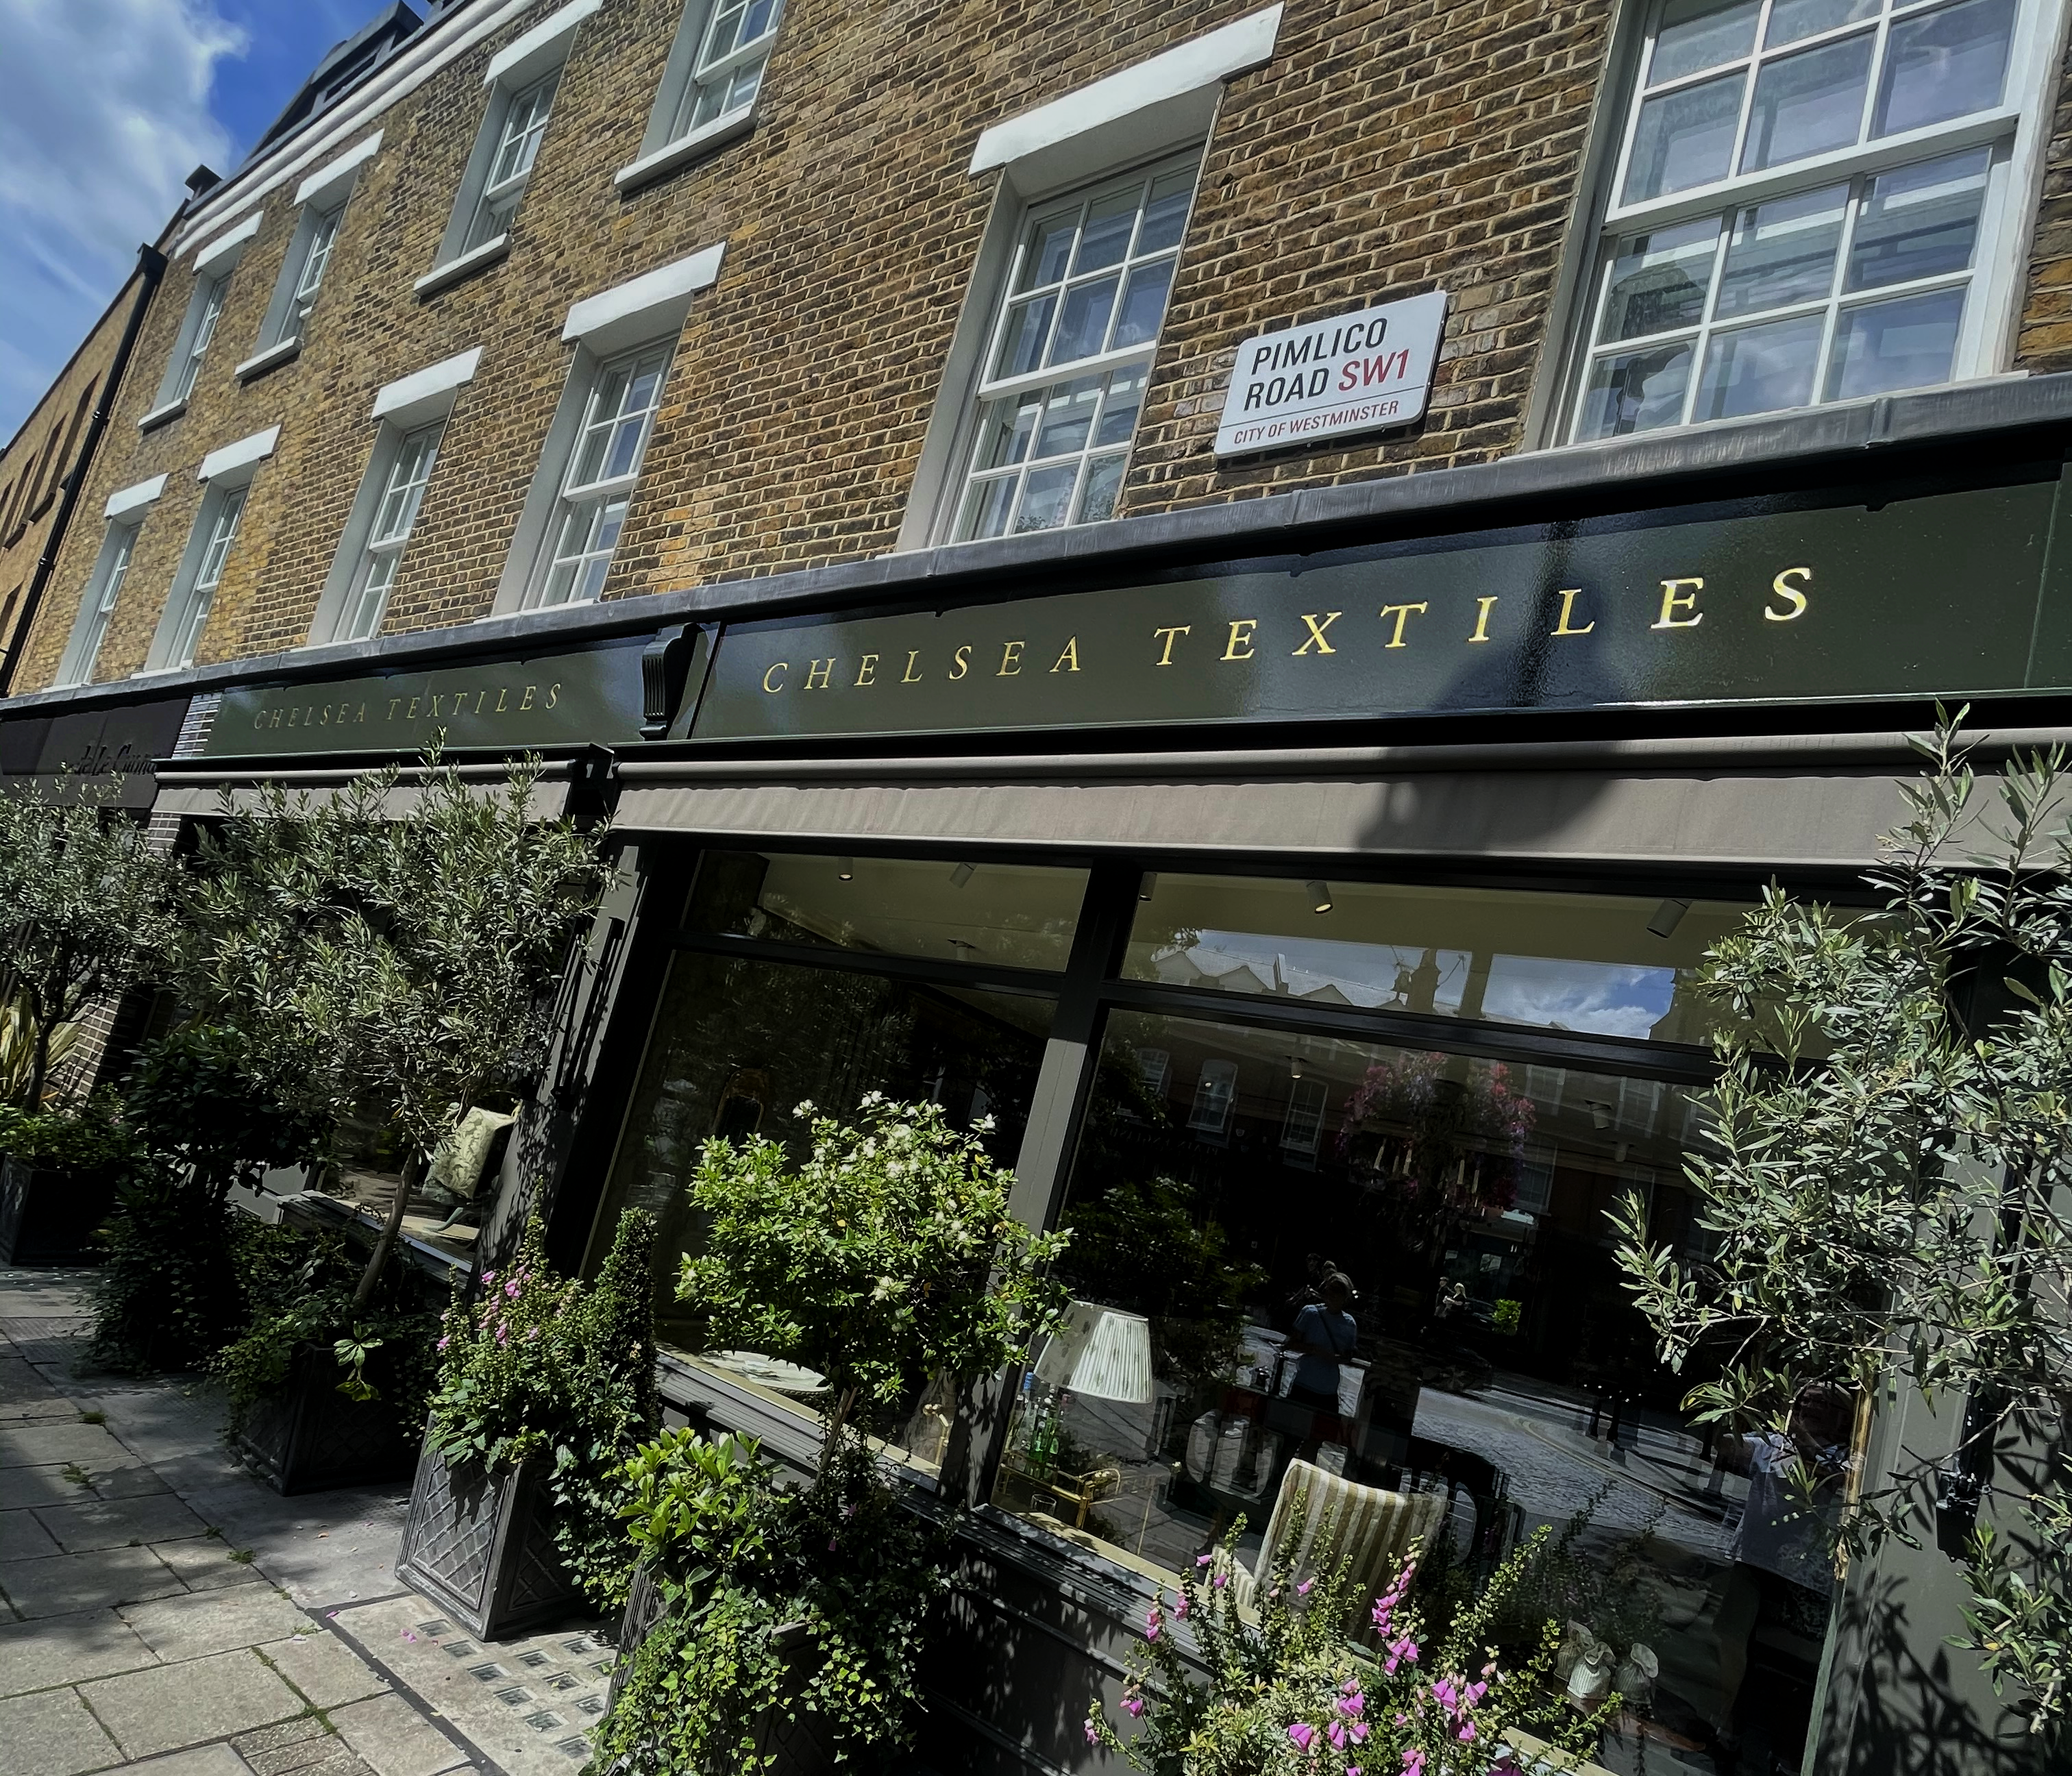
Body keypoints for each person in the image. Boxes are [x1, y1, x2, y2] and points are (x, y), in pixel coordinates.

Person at [1285, 1271, 1359, 1465]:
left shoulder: (1350, 1323)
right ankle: (1279, 1482)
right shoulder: (1310, 1313)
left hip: (1328, 1393)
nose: (1333, 1296)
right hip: (1304, 1387)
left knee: (1315, 1444)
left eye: (1338, 1293)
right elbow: (1291, 1343)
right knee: (1290, 1440)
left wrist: (1342, 1357)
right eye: (1330, 1291)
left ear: (1346, 1298)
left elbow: (1349, 1353)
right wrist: (1315, 1350)